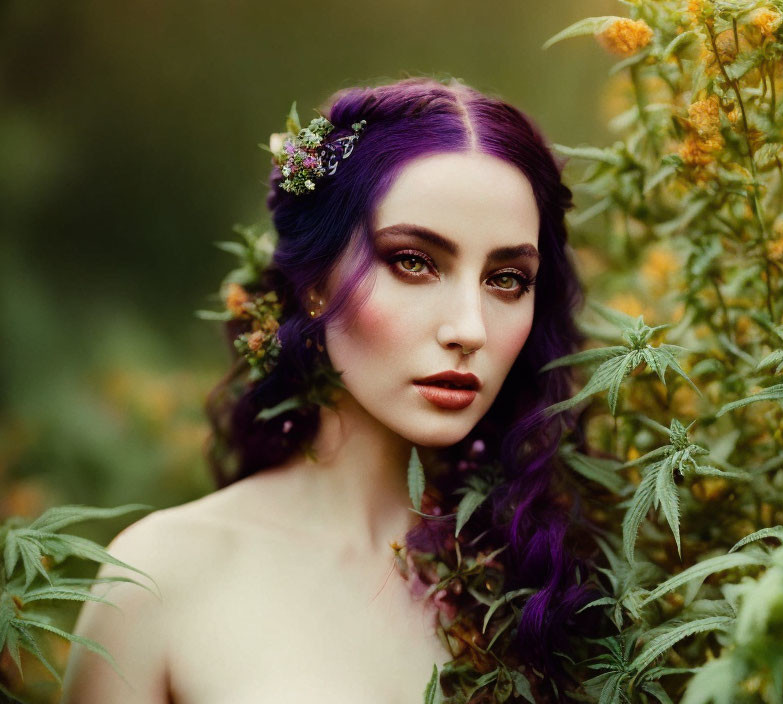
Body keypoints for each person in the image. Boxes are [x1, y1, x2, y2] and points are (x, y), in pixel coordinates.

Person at [61, 76, 598, 703]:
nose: (469, 329)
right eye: (415, 262)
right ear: (316, 280)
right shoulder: (163, 576)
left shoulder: (549, 579)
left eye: (507, 278)